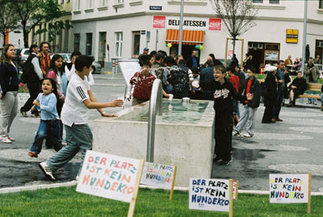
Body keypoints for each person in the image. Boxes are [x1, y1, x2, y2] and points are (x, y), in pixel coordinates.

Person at [39, 55, 123, 181]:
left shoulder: (82, 77)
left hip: (71, 117)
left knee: (73, 145)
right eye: (90, 67)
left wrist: (102, 112)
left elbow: (91, 95)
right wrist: (111, 104)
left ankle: (49, 165)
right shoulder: (76, 83)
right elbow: (88, 104)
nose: (91, 70)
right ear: (84, 68)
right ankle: (83, 175)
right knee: (88, 144)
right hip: (75, 119)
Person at [204, 65, 251, 165]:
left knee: (226, 135)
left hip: (227, 113)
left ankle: (227, 157)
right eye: (214, 72)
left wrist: (245, 98)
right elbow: (206, 91)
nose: (215, 75)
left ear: (223, 74)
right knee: (218, 135)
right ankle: (219, 155)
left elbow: (235, 95)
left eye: (217, 73)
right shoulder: (213, 84)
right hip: (217, 113)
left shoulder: (228, 84)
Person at [28, 78, 62, 157]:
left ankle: (62, 153)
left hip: (54, 121)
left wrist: (38, 105)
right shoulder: (40, 95)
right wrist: (34, 107)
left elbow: (49, 108)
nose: (45, 86)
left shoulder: (52, 96)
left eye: (48, 84)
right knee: (40, 134)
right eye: (44, 84)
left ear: (52, 88)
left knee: (56, 140)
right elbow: (37, 101)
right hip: (44, 120)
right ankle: (35, 150)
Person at [233, 67, 260, 137]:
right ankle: (237, 130)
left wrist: (254, 103)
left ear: (253, 73)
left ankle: (249, 131)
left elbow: (257, 94)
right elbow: (244, 91)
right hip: (246, 100)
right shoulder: (247, 80)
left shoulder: (256, 82)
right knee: (243, 116)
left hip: (252, 102)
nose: (248, 74)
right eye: (247, 72)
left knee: (251, 117)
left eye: (249, 72)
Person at [0, 44, 19, 143]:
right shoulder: (3, 64)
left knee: (14, 112)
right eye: (11, 50)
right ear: (6, 51)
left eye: (14, 50)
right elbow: (1, 79)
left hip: (15, 91)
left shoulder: (13, 63)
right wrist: (3, 91)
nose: (13, 52)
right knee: (5, 114)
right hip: (8, 92)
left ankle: (6, 132)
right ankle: (2, 134)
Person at [20, 44, 43, 117]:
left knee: (35, 95)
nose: (38, 49)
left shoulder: (30, 57)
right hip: (34, 80)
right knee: (35, 95)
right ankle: (24, 109)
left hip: (29, 80)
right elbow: (37, 69)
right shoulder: (34, 58)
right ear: (33, 49)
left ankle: (34, 111)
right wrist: (41, 78)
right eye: (37, 48)